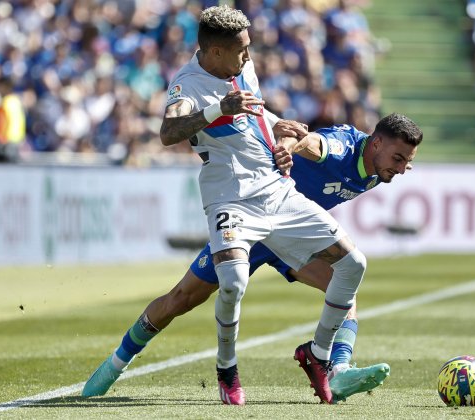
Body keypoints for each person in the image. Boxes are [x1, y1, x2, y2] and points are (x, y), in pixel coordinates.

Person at [83, 5, 368, 406]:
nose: (248, 57)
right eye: (241, 50)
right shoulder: (188, 84)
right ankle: (225, 369)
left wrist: (278, 132)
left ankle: (319, 356)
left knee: (354, 265)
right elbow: (168, 132)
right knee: (222, 286)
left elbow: (253, 113)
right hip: (230, 200)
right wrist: (219, 109)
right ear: (215, 52)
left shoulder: (237, 68)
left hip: (277, 192)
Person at [81, 111, 422, 404]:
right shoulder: (344, 147)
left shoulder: (380, 170)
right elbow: (313, 143)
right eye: (399, 158)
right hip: (251, 221)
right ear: (376, 143)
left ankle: (339, 368)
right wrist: (288, 146)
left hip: (291, 235)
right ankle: (115, 364)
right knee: (180, 299)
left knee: (345, 287)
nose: (403, 168)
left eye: (408, 161)